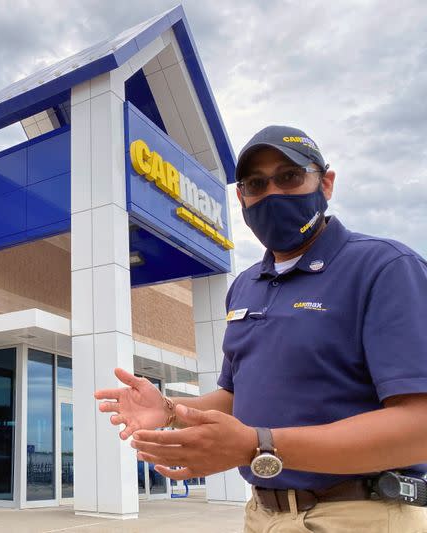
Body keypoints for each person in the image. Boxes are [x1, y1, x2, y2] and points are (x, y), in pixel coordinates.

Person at [94, 126, 427, 531]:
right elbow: (237, 398)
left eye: (289, 177)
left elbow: (418, 426)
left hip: (361, 515)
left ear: (326, 183)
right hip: (261, 515)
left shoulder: (384, 268)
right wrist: (169, 411)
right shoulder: (244, 286)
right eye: (256, 183)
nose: (272, 193)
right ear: (241, 197)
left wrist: (258, 446)